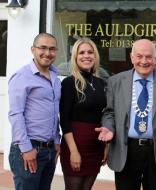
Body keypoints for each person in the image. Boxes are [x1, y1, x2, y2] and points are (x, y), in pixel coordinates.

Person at [95, 39, 156, 190]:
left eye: (149, 57)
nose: (144, 61)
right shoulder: (115, 81)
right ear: (132, 58)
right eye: (139, 56)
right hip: (126, 151)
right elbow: (109, 112)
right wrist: (109, 127)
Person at [8, 33, 61, 190]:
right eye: (42, 48)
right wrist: (26, 148)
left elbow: (53, 111)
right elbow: (15, 114)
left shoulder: (55, 77)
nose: (47, 53)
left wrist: (57, 140)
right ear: (33, 50)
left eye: (52, 49)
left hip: (49, 151)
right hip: (29, 150)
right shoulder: (22, 76)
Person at [59, 37, 107, 190]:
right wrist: (73, 151)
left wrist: (107, 146)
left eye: (90, 52)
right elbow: (64, 120)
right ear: (75, 57)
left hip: (96, 146)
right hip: (76, 145)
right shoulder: (69, 82)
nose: (86, 56)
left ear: (95, 56)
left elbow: (105, 116)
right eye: (82, 53)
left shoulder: (101, 83)